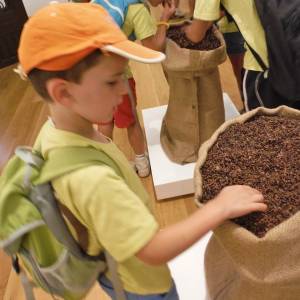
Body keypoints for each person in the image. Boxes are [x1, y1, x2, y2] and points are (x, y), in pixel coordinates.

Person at [17, 2, 267, 299]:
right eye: (112, 81)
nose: (125, 90)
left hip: (116, 265)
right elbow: (153, 250)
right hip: (143, 286)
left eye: (124, 75)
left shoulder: (56, 132)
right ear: (63, 92)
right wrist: (219, 207)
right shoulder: (91, 180)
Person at [93, 0, 176, 177]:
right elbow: (154, 48)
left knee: (105, 121)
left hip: (93, 74)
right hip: (118, 77)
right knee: (131, 121)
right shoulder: (137, 9)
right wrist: (164, 18)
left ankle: (108, 164)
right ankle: (142, 162)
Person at [184, 0, 296, 110]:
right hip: (294, 54)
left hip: (266, 70)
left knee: (266, 125)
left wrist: (169, 24)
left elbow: (196, 35)